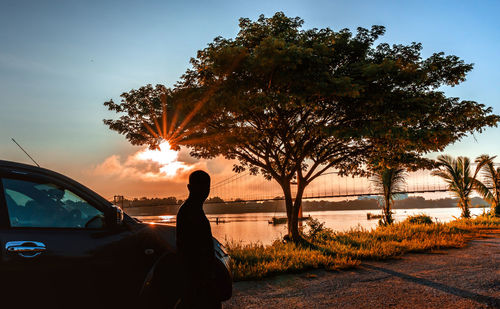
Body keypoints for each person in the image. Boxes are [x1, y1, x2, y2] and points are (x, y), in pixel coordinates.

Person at [176, 170, 221, 308]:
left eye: (206, 187)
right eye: (200, 187)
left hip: (196, 277)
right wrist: (207, 277)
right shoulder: (191, 211)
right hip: (197, 278)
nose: (204, 191)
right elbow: (194, 249)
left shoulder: (190, 209)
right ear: (189, 188)